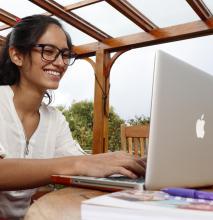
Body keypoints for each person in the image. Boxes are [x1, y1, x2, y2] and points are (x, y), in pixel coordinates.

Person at [0, 14, 145, 219]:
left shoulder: (54, 119)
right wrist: (78, 164)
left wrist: (135, 164)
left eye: (65, 54)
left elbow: (86, 165)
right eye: (48, 51)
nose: (60, 63)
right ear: (17, 56)